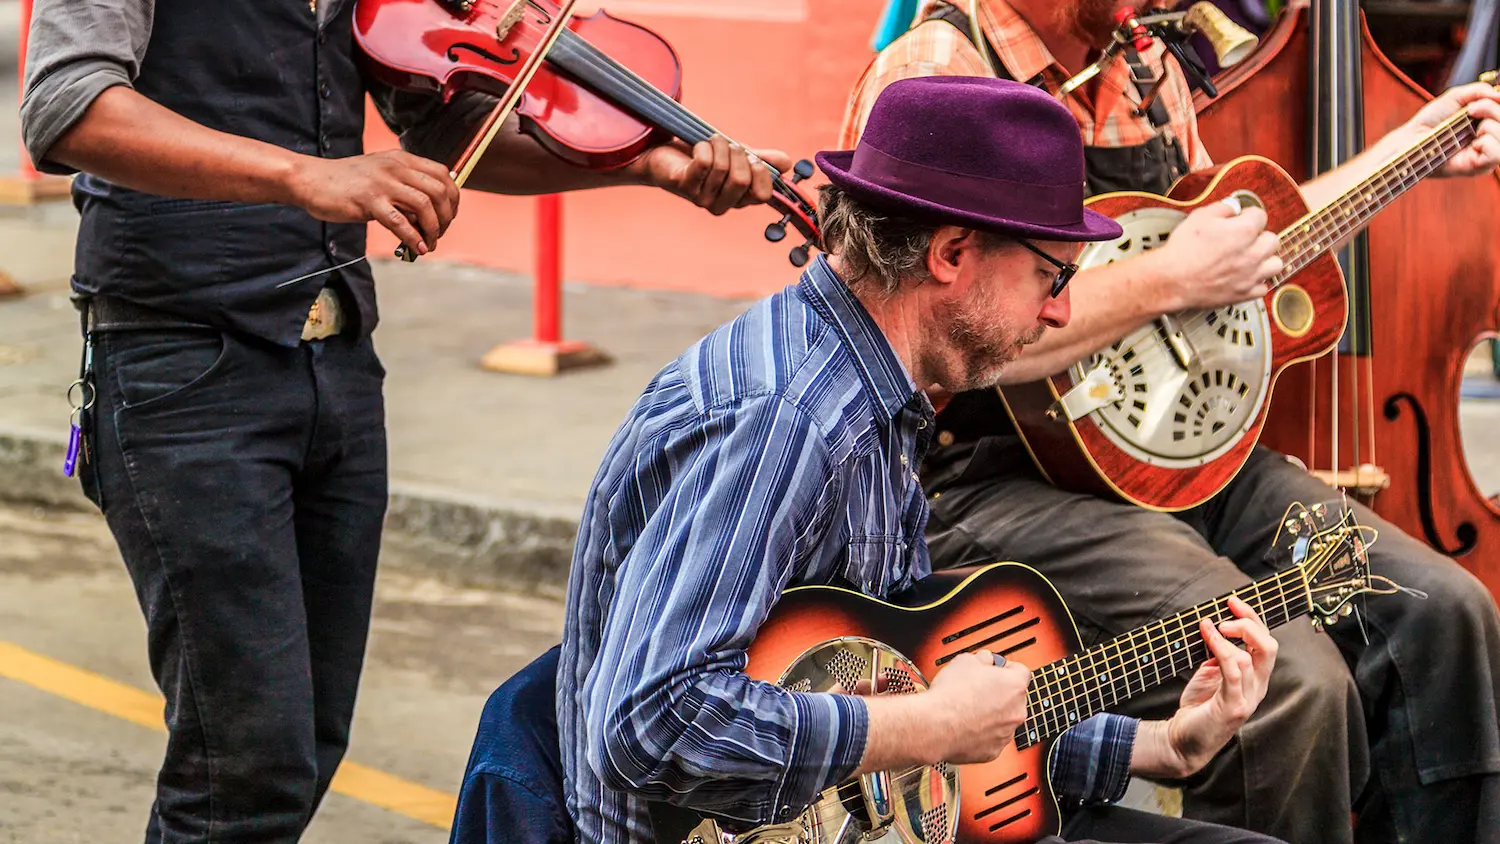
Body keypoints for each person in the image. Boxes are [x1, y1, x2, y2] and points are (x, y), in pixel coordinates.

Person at [19, 2, 795, 842]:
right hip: (184, 368)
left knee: (307, 745)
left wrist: (643, 166)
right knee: (241, 770)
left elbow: (445, 136)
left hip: (337, 363)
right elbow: (66, 104)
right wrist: (302, 175)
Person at [558, 75, 1285, 844]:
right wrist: (928, 724)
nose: (1062, 310)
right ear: (951, 252)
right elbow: (652, 722)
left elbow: (913, 693)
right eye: (1054, 273)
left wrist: (1162, 746)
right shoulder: (784, 420)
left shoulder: (878, 392)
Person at [840, 2, 1500, 842]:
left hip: (1168, 452)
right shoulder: (937, 66)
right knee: (1288, 683)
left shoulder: (1140, 60)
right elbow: (929, 331)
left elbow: (1233, 251)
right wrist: (1168, 279)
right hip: (985, 473)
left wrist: (1405, 152)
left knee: (1442, 609)